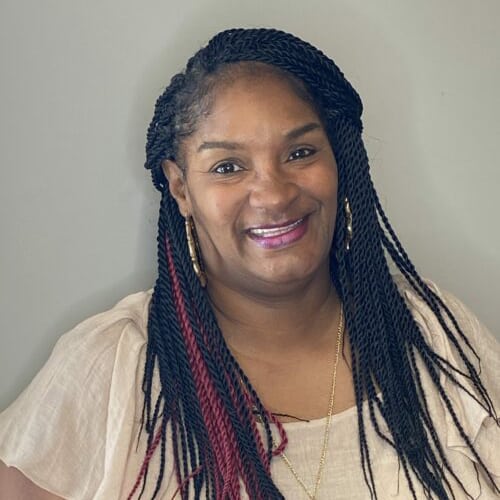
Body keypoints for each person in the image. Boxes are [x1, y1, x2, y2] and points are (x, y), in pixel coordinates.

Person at [0, 27, 498, 500]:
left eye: (300, 152)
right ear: (180, 188)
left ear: (339, 164)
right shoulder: (116, 367)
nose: (274, 194)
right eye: (228, 167)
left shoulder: (431, 334)